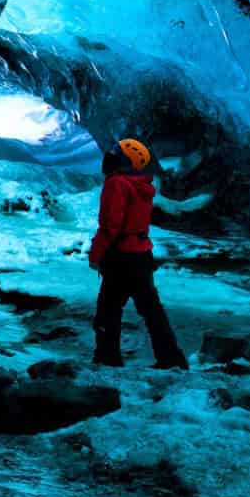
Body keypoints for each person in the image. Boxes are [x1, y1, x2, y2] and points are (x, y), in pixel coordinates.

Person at [88, 137, 188, 369]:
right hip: (141, 255)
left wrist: (96, 256)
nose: (110, 156)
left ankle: (107, 359)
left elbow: (110, 225)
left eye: (115, 153)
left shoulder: (116, 184)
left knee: (108, 310)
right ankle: (171, 358)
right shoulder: (142, 185)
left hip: (122, 256)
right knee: (152, 311)